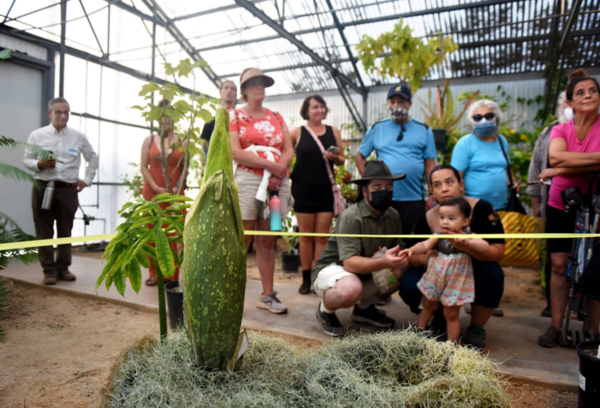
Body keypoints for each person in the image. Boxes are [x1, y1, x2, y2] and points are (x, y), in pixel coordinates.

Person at [399, 164, 505, 350]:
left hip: (469, 269)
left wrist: (466, 244)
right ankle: (434, 321)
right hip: (439, 271)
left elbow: (495, 251)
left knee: (492, 274)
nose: (445, 188)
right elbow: (421, 246)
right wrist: (420, 255)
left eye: (449, 182)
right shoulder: (430, 219)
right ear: (431, 190)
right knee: (410, 286)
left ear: (460, 184)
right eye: (437, 185)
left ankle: (475, 328)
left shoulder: (481, 209)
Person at [536, 68, 600, 347]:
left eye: (593, 90)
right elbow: (554, 155)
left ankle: (593, 330)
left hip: (595, 205)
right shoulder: (560, 129)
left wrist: (559, 168)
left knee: (595, 268)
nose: (588, 95)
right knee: (559, 265)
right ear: (570, 102)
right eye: (580, 92)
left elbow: (558, 162)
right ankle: (555, 326)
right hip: (560, 203)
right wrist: (593, 160)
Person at [312, 160, 409, 336]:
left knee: (402, 271)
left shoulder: (393, 215)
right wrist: (384, 261)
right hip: (334, 270)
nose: (384, 191)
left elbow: (398, 249)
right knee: (351, 288)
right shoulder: (351, 217)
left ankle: (363, 308)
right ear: (364, 191)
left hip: (366, 271)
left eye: (388, 186)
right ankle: (325, 310)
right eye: (377, 186)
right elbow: (349, 264)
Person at [229, 68, 294, 314]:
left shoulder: (277, 116)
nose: (259, 87)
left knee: (268, 239)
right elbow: (235, 151)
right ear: (243, 89)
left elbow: (289, 149)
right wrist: (271, 166)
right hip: (246, 180)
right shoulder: (233, 115)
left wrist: (279, 172)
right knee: (241, 240)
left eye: (262, 83)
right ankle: (229, 294)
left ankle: (268, 295)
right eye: (253, 83)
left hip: (278, 185)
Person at [23, 97, 99, 285]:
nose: (63, 115)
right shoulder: (37, 135)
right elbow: (26, 159)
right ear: (50, 113)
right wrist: (38, 164)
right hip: (43, 187)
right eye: (59, 112)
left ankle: (63, 268)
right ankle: (49, 270)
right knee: (44, 231)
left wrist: (86, 180)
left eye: (66, 112)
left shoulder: (78, 136)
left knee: (66, 230)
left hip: (67, 190)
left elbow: (93, 158)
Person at [401, 197, 488, 343]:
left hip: (456, 279)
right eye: (442, 217)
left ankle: (451, 346)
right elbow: (424, 244)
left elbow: (485, 247)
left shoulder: (468, 235)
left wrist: (468, 242)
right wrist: (411, 249)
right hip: (436, 275)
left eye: (451, 218)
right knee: (428, 304)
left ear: (465, 221)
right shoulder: (439, 234)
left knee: (451, 314)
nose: (445, 222)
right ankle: (419, 333)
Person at [356, 84, 437, 234]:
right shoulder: (377, 128)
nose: (396, 106)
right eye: (392, 102)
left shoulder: (424, 130)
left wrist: (432, 194)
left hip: (414, 198)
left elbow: (430, 164)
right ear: (388, 104)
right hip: (384, 197)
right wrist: (369, 182)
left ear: (409, 104)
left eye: (401, 102)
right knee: (384, 239)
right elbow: (360, 156)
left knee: (413, 240)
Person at [289, 95, 345, 295]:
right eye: (314, 107)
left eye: (321, 106)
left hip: (324, 191)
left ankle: (318, 276)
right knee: (306, 237)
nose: (319, 110)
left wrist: (334, 157)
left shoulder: (333, 131)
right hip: (303, 190)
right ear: (307, 110)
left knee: (322, 237)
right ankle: (305, 278)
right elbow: (284, 153)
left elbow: (342, 160)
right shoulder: (297, 132)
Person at [526, 91, 572, 318]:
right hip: (553, 204)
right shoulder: (550, 131)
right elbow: (537, 166)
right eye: (567, 99)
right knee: (554, 258)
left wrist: (558, 169)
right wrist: (536, 203)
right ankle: (552, 304)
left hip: (589, 205)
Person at [141, 99, 188, 286]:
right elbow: (144, 167)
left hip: (175, 193)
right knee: (153, 231)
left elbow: (184, 167)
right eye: (163, 114)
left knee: (173, 232)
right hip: (152, 191)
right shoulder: (150, 140)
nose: (166, 118)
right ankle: (154, 273)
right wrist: (155, 187)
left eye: (170, 114)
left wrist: (177, 187)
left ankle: (172, 275)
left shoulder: (182, 141)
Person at [451, 99, 519, 211]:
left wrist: (512, 179)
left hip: (503, 207)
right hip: (475, 209)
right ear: (471, 122)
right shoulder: (465, 143)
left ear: (496, 119)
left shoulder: (502, 141)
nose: (483, 121)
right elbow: (456, 177)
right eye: (477, 117)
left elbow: (507, 167)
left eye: (489, 116)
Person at [200, 80, 237, 147]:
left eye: (232, 89)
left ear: (236, 95)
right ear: (220, 92)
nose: (229, 91)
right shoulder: (210, 122)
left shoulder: (242, 119)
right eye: (226, 88)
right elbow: (208, 148)